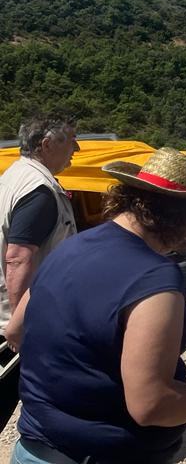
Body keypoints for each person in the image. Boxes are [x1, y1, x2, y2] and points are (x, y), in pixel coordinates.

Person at [5, 148, 186, 463]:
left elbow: (17, 331)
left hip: (33, 448)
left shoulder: (70, 248)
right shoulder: (154, 280)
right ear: (182, 216)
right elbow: (152, 405)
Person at [0, 114, 78, 428]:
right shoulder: (39, 190)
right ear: (46, 144)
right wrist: (20, 324)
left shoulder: (11, 176)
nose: (76, 148)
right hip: (18, 325)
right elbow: (18, 258)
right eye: (70, 139)